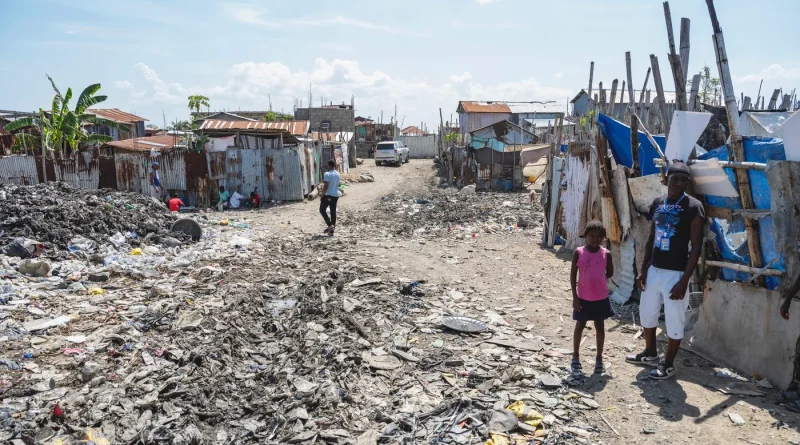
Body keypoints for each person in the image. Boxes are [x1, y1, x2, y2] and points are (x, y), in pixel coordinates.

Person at [626, 161, 704, 380]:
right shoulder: (658, 203)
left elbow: (696, 246)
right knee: (647, 313)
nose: (679, 184)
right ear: (666, 180)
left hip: (676, 274)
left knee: (674, 319)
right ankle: (650, 352)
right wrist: (643, 269)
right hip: (654, 270)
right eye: (675, 179)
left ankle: (668, 363)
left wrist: (684, 281)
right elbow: (651, 238)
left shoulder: (693, 206)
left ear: (688, 182)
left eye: (683, 180)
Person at [570, 220, 614, 375]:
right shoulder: (579, 252)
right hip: (583, 297)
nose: (595, 239)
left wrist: (598, 278)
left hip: (600, 297)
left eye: (598, 236)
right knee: (580, 325)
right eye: (592, 236)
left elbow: (610, 272)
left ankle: (599, 359)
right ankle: (575, 356)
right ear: (586, 236)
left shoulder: (606, 254)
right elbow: (573, 274)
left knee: (600, 327)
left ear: (603, 238)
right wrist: (575, 297)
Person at [320, 159, 341, 236]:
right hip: (335, 195)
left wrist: (322, 195)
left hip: (328, 195)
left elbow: (325, 186)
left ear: (329, 165)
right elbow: (338, 185)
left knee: (322, 210)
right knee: (333, 212)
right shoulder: (338, 174)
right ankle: (331, 232)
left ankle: (330, 225)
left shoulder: (327, 174)